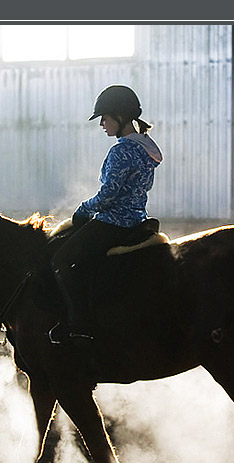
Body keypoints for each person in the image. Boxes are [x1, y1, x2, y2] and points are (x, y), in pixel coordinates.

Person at [49, 85, 163, 346]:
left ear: (121, 116)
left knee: (62, 259)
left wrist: (83, 209)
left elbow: (108, 195)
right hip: (137, 219)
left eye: (105, 117)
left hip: (113, 224)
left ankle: (79, 325)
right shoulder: (146, 149)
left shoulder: (121, 150)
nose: (101, 123)